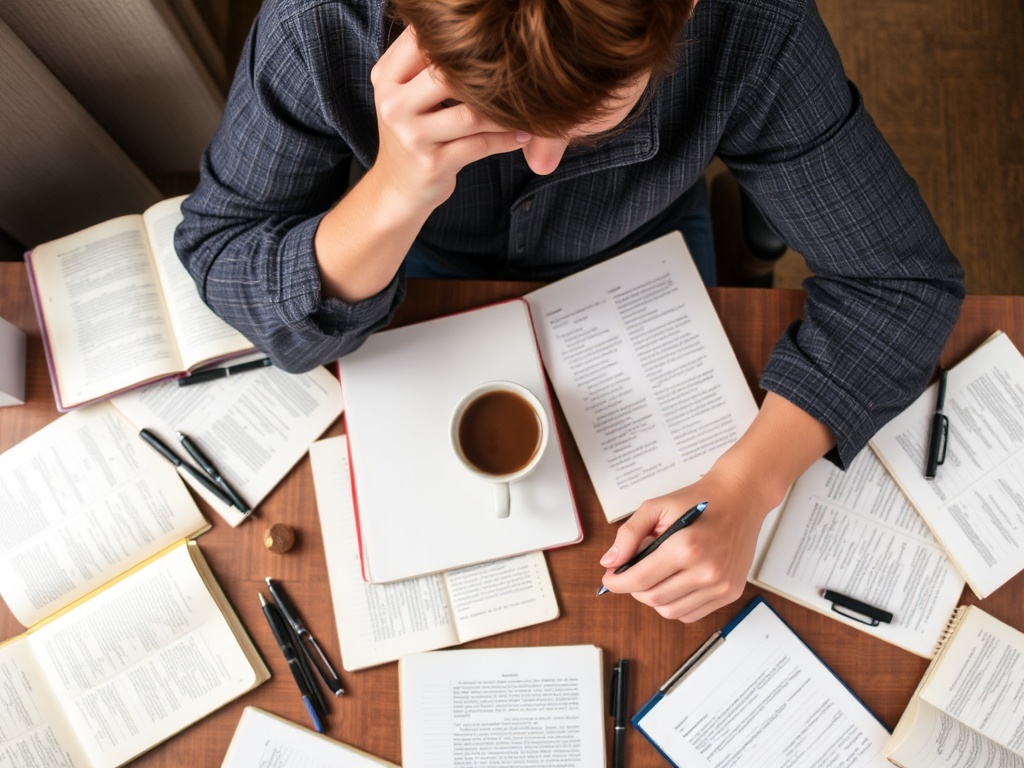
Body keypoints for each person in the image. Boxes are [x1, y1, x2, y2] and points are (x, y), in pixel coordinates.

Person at [175, 0, 964, 623]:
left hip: (640, 242)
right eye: (497, 118)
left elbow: (897, 285)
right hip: (404, 253)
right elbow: (223, 253)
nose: (542, 159)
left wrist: (747, 487)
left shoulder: (753, 20)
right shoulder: (322, 19)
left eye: (583, 119)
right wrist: (392, 191)